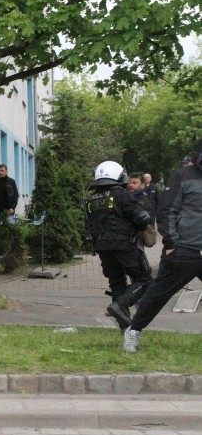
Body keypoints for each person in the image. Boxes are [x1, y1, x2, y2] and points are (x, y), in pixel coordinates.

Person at [123, 141, 202, 352]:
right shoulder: (182, 176)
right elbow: (167, 211)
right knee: (158, 294)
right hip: (185, 250)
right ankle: (133, 331)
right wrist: (172, 244)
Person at [84, 161, 152, 332]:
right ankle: (120, 305)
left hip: (102, 248)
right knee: (145, 280)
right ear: (118, 175)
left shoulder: (91, 198)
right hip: (124, 246)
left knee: (117, 283)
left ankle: (125, 328)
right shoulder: (121, 194)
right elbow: (142, 218)